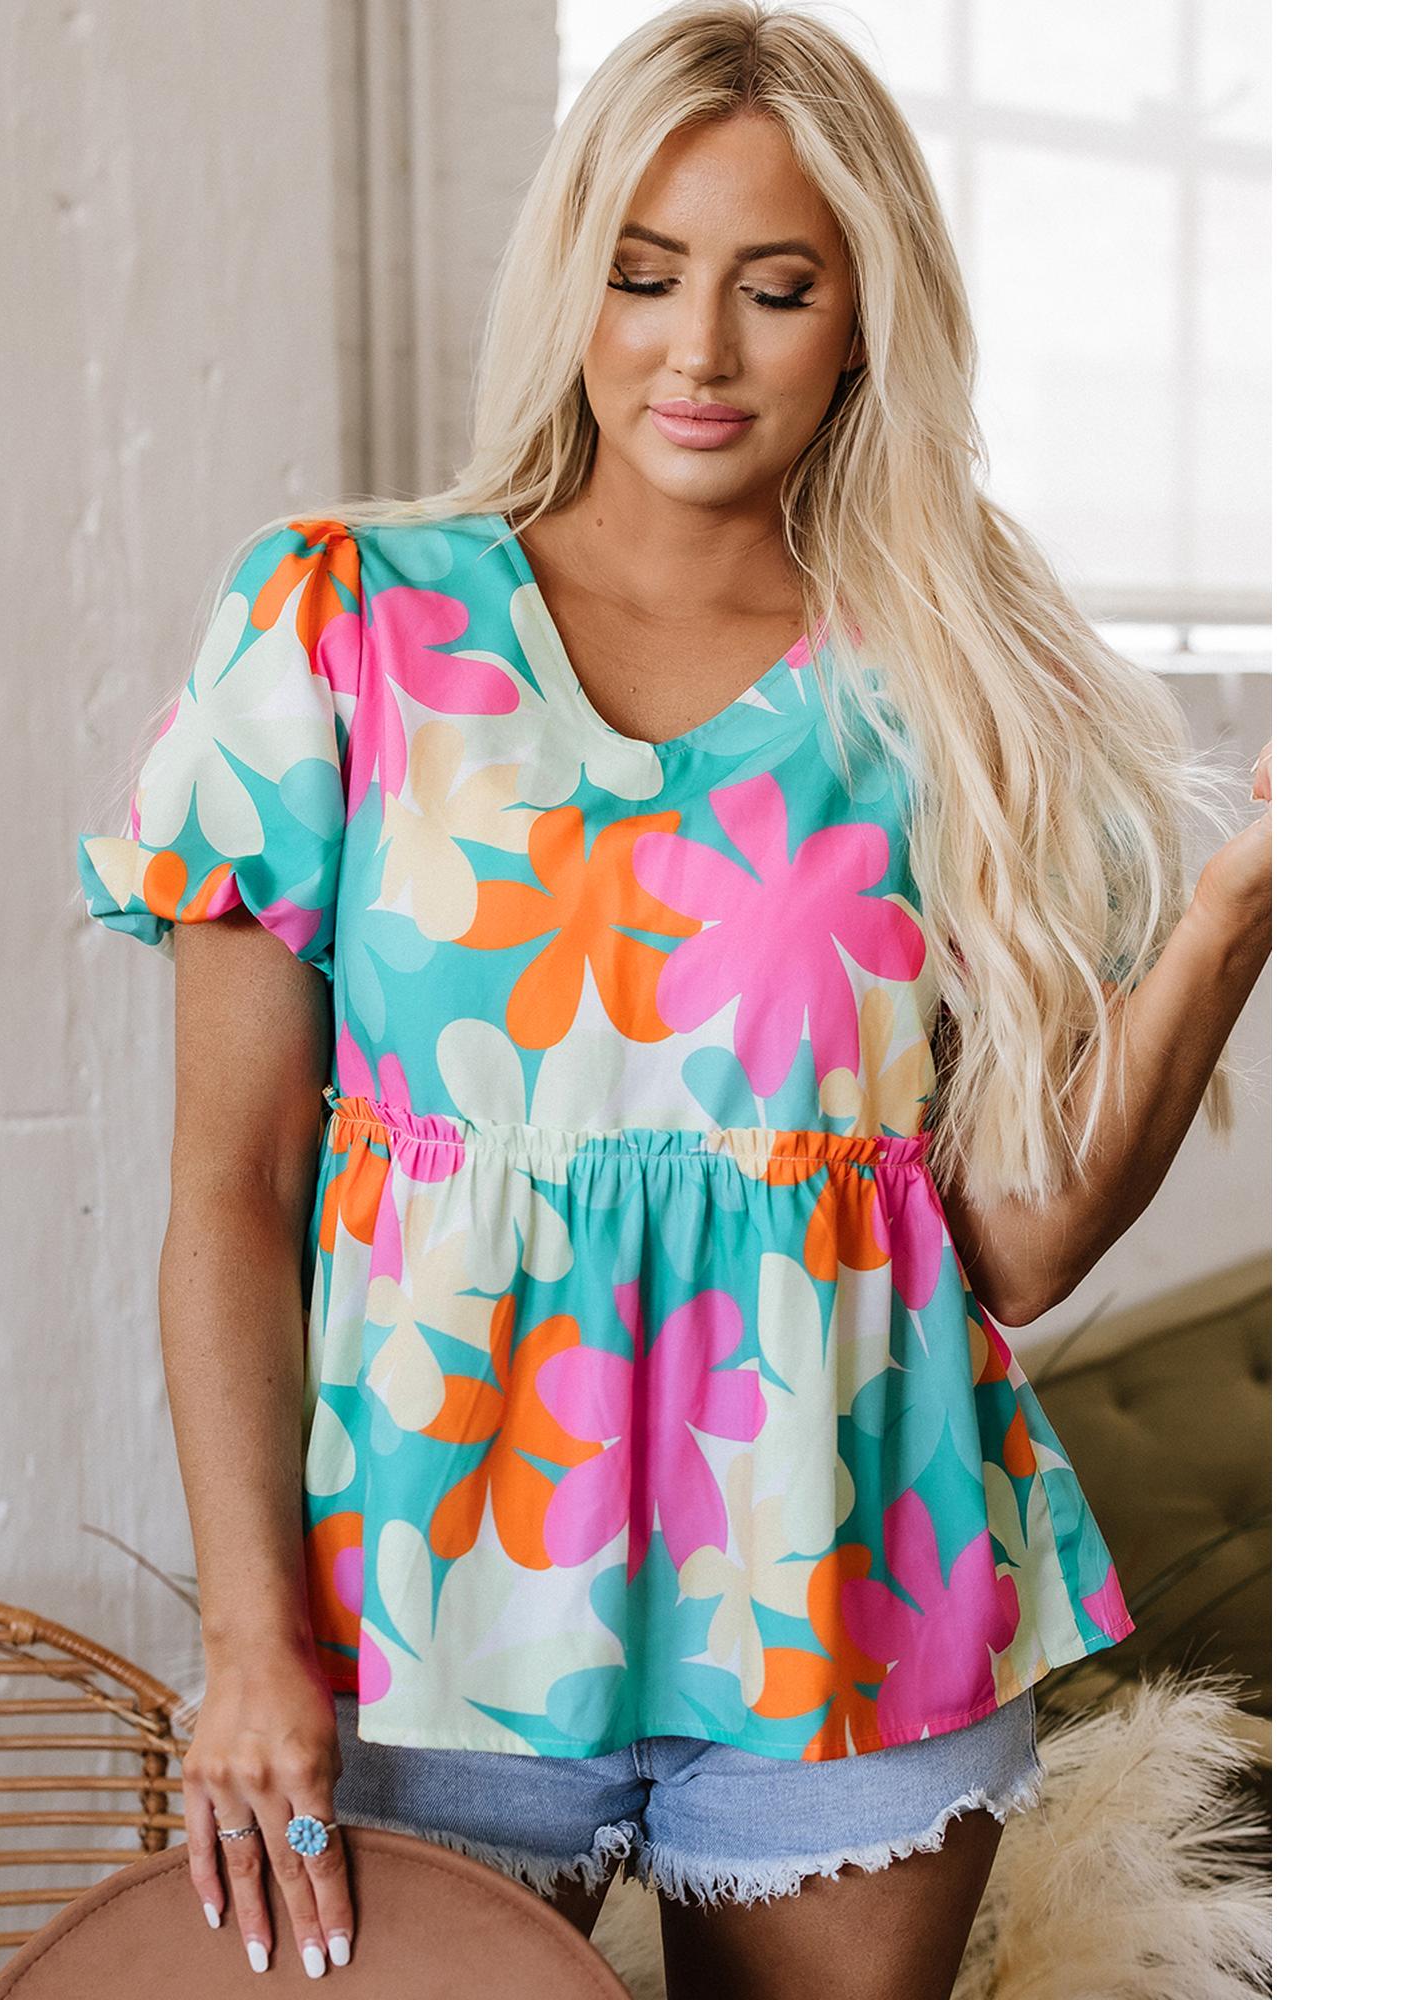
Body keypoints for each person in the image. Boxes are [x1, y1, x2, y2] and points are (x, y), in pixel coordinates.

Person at [73, 5, 1272, 1994]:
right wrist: (248, 1636)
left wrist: (1240, 911)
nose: (697, 350)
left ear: (864, 320)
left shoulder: (948, 671)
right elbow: (234, 1186)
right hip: (423, 1617)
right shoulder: (339, 622)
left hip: (848, 1595)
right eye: (642, 276)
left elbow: (1011, 1244)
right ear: (571, 282)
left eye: (774, 289)